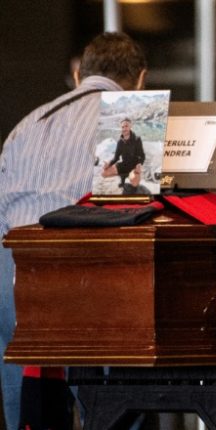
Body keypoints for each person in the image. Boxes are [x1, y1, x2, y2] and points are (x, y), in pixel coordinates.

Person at [0, 32, 147, 430]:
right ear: (141, 79)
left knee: (26, 404)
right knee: (113, 404)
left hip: (16, 286)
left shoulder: (27, 123)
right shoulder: (132, 119)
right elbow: (130, 216)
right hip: (89, 287)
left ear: (79, 73)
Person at [101, 117, 146, 190]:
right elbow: (116, 158)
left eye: (126, 126)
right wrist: (108, 164)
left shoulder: (137, 139)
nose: (124, 128)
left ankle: (130, 176)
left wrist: (139, 164)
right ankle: (123, 176)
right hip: (123, 165)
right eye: (122, 127)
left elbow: (142, 156)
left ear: (130, 126)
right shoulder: (120, 142)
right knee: (104, 173)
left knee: (135, 183)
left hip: (134, 167)